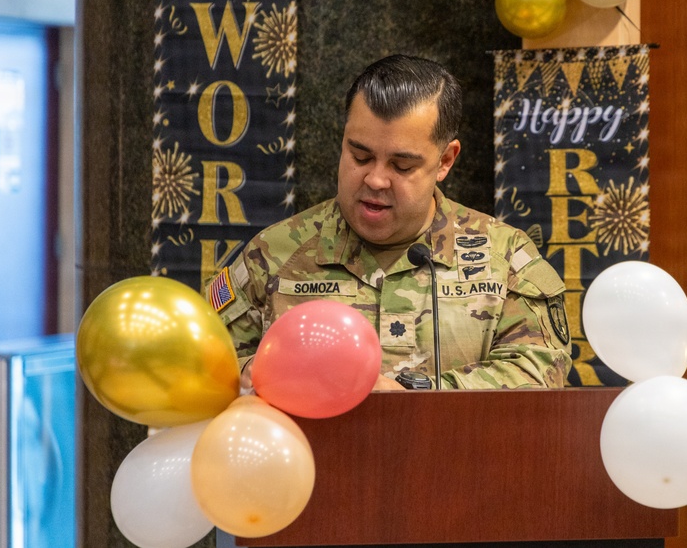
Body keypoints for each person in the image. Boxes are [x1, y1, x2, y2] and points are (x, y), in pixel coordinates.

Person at [206, 54, 571, 389]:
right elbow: (203, 361)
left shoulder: (503, 256)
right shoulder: (275, 253)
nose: (376, 180)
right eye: (360, 156)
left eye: (402, 166)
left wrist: (416, 394)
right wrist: (255, 372)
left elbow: (540, 369)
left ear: (445, 160)